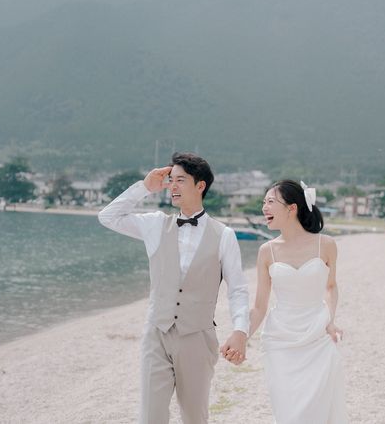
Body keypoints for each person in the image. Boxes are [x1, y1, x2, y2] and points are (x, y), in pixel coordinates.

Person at [98, 152, 249, 424]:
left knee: (194, 417)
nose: (173, 186)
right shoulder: (155, 224)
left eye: (180, 180)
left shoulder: (224, 235)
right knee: (151, 417)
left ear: (200, 185)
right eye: (171, 180)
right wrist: (144, 187)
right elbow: (108, 216)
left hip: (197, 338)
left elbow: (237, 289)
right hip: (156, 334)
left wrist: (240, 330)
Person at [238, 179, 348, 423]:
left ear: (292, 208)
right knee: (288, 413)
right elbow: (259, 307)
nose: (264, 207)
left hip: (317, 337)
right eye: (263, 202)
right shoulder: (267, 251)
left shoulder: (326, 245)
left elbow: (331, 287)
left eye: (270, 202)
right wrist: (241, 337)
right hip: (280, 340)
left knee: (317, 411)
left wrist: (330, 321)